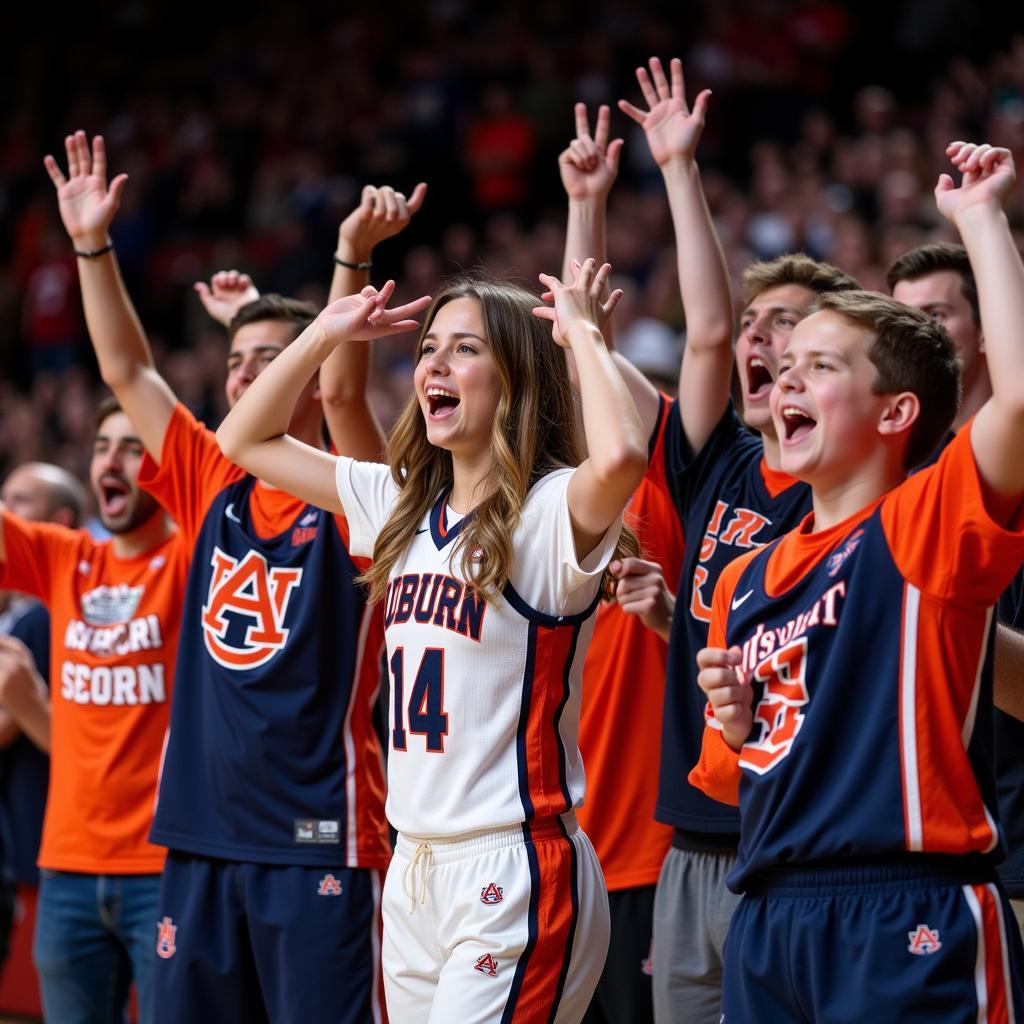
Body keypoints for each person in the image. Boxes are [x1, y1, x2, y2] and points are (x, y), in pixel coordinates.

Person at [44, 130, 427, 1023]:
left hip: (319, 838)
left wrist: (346, 263)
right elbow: (126, 368)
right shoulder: (208, 474)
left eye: (268, 359)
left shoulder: (359, 491)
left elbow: (339, 395)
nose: (245, 374)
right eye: (235, 363)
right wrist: (92, 247)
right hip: (201, 836)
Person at [215, 257, 648, 1022]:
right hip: (412, 864)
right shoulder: (398, 502)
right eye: (428, 348)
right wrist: (324, 330)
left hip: (512, 863)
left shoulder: (550, 513)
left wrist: (581, 333)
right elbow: (244, 438)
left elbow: (620, 457)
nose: (435, 365)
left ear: (515, 376)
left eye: (465, 348)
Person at [691, 141, 1024, 1020]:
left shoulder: (924, 521)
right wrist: (737, 718)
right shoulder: (744, 578)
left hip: (904, 904)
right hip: (766, 907)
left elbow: (1020, 404)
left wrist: (982, 220)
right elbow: (736, 773)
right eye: (787, 364)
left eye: (822, 366)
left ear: (896, 412)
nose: (788, 376)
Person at [603, 56, 857, 1023]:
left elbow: (704, 333)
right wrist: (677, 619)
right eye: (757, 329)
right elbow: (706, 333)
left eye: (786, 327)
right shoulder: (719, 466)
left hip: (788, 834)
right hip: (688, 835)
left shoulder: (840, 488)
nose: (760, 343)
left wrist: (679, 169)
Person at [0, 399, 188, 1024]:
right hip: (66, 870)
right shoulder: (65, 559)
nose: (112, 458)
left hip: (165, 867)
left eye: (134, 447)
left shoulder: (194, 558)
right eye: (104, 444)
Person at [555, 99, 681, 1023]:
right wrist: (585, 201)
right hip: (550, 851)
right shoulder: (542, 502)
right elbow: (574, 346)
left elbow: (581, 342)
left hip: (643, 848)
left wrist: (590, 221)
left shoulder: (661, 487)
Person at [887, 241, 1024, 939]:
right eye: (900, 318)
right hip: (902, 862)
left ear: (986, 332)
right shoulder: (884, 482)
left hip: (1010, 855)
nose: (917, 334)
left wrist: (938, 616)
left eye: (937, 313)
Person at [0, 461, 84, 981]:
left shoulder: (43, 615)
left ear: (62, 519)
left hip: (38, 833)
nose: (5, 515)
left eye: (18, 502)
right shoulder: (24, 612)